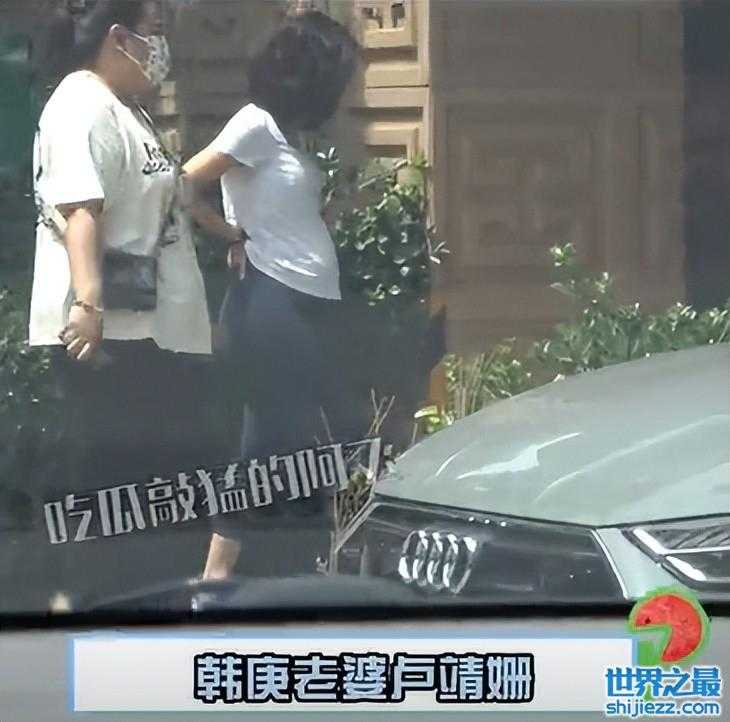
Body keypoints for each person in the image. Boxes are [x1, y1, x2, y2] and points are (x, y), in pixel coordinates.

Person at [31, 0, 218, 606]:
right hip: (113, 338)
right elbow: (80, 209)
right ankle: (96, 612)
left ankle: (140, 606)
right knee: (111, 490)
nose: (160, 49)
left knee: (148, 492)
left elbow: (170, 195)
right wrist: (88, 304)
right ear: (120, 37)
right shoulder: (79, 104)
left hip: (151, 331)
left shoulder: (124, 107)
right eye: (153, 32)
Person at [183, 11, 359, 581]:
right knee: (266, 442)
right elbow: (184, 183)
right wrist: (228, 233)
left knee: (305, 439)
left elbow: (280, 209)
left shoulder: (289, 133)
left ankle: (307, 566)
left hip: (305, 301)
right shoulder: (254, 123)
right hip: (271, 302)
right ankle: (214, 579)